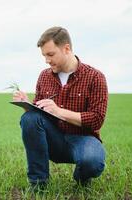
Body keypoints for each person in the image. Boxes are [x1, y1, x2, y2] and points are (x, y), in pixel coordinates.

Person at [13, 26, 108, 188]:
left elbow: (96, 120)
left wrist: (60, 111)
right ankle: (38, 184)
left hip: (83, 140)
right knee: (29, 118)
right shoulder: (44, 76)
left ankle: (81, 177)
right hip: (54, 140)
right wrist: (28, 105)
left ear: (66, 49)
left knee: (92, 162)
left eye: (50, 54)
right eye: (44, 56)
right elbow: (39, 116)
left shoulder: (95, 77)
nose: (47, 60)